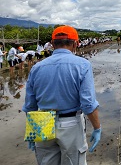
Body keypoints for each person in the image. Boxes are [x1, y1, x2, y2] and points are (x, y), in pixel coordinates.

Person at [22, 25, 101, 164]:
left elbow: (30, 106)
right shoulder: (82, 65)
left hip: (42, 122)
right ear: (76, 43)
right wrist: (97, 128)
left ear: (52, 44)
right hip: (70, 124)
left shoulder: (37, 68)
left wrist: (32, 132)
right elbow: (88, 103)